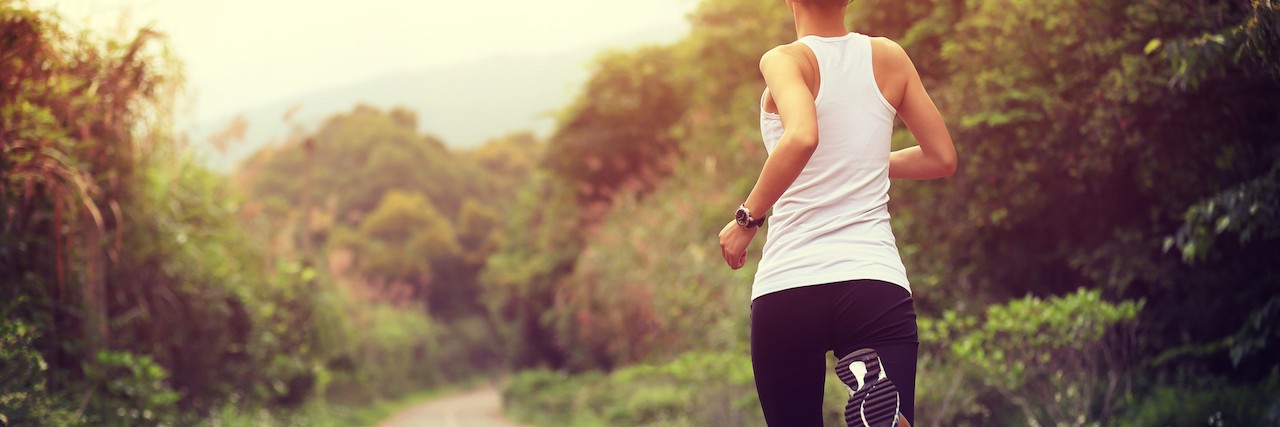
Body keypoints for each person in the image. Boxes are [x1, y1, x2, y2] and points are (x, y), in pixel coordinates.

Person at [716, 0, 957, 425]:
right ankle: (876, 395)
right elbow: (941, 158)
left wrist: (746, 219)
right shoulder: (889, 56)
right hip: (872, 280)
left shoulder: (786, 59)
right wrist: (858, 162)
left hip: (789, 285)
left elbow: (803, 136)